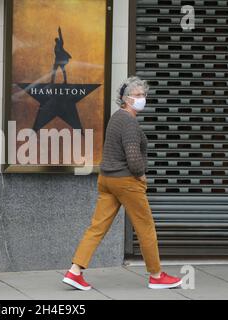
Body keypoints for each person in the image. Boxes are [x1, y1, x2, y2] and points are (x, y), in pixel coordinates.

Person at [63, 76, 182, 290]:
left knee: (97, 227)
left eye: (143, 95)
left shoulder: (116, 117)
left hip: (107, 179)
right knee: (145, 227)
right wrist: (141, 175)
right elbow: (133, 157)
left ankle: (75, 271)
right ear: (126, 99)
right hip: (126, 181)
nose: (142, 98)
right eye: (137, 95)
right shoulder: (128, 121)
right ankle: (156, 275)